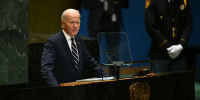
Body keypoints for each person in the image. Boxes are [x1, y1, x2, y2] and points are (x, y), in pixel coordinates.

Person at [41, 9, 107, 86]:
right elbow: (46, 70)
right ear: (63, 23)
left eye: (77, 22)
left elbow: (92, 65)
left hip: (77, 92)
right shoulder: (53, 42)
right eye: (71, 22)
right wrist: (57, 90)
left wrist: (108, 79)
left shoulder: (80, 41)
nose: (75, 26)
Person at [144, 0, 193, 73]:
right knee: (158, 83)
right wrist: (167, 47)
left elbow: (188, 24)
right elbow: (151, 26)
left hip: (180, 53)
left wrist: (181, 45)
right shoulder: (153, 1)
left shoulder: (184, 1)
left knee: (179, 83)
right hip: (160, 53)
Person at [84, 0, 129, 76]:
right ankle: (92, 76)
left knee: (114, 52)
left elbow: (125, 4)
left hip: (113, 23)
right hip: (96, 23)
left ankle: (115, 78)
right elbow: (86, 4)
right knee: (93, 52)